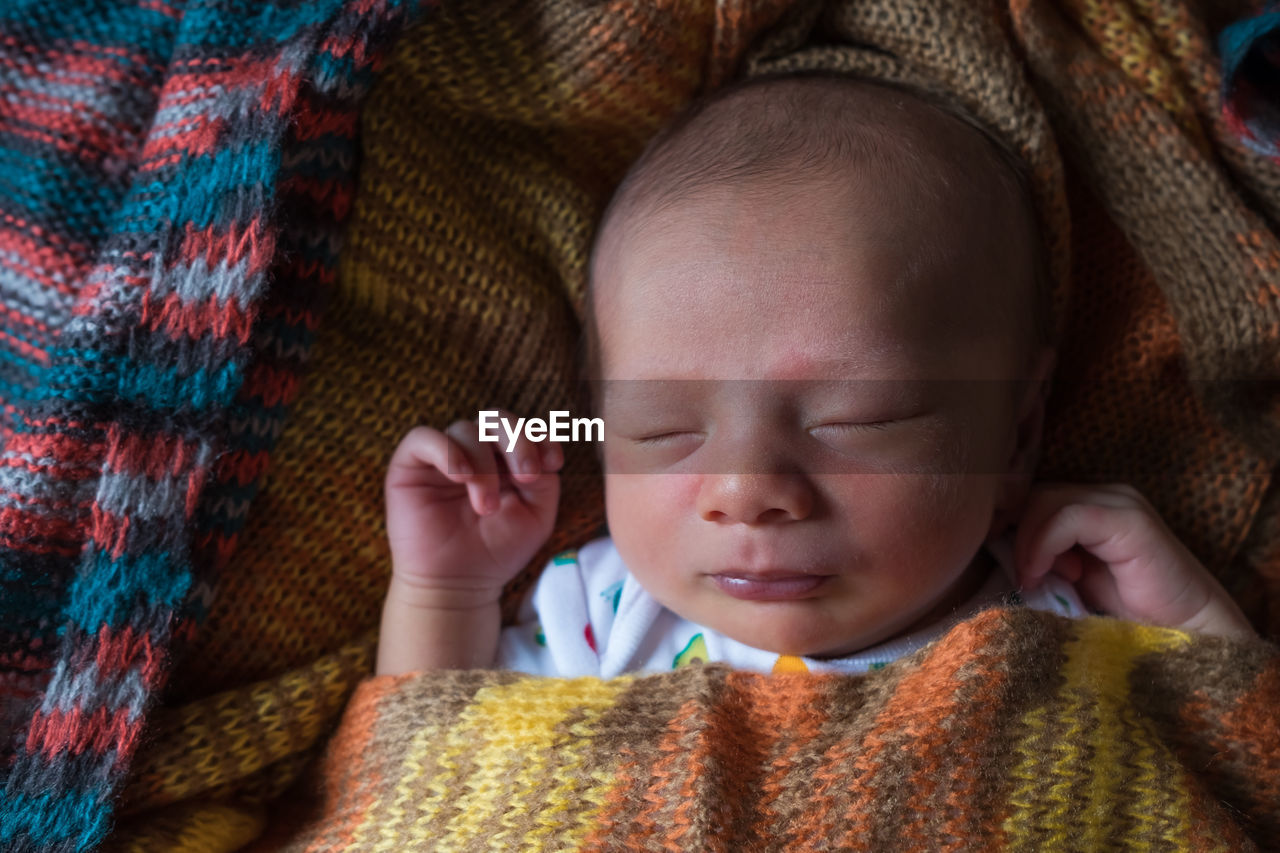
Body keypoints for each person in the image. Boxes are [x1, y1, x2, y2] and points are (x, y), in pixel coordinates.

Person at [375, 75, 1254, 678]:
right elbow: (429, 770)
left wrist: (1206, 632)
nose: (748, 492)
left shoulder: (1072, 619)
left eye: (858, 419)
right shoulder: (602, 613)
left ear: (1016, 433)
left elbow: (1239, 773)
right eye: (663, 431)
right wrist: (447, 590)